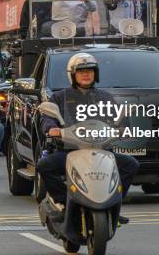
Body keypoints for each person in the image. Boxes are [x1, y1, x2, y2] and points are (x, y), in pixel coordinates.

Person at [36, 53, 139, 224]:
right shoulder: (60, 97)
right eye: (81, 71)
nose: (86, 74)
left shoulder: (106, 98)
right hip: (69, 152)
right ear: (72, 74)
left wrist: (123, 128)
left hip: (102, 152)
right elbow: (47, 116)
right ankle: (63, 202)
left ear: (95, 74)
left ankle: (114, 206)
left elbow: (121, 119)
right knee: (44, 165)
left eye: (90, 71)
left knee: (131, 164)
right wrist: (51, 128)